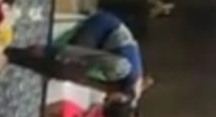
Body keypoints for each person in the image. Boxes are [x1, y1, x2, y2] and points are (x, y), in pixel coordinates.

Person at [9, 10, 148, 98]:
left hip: (105, 51)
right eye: (107, 99)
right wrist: (48, 50)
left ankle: (17, 58)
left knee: (66, 72)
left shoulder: (123, 91)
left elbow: (86, 81)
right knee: (68, 66)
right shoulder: (121, 67)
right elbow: (82, 54)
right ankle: (15, 54)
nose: (104, 98)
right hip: (103, 27)